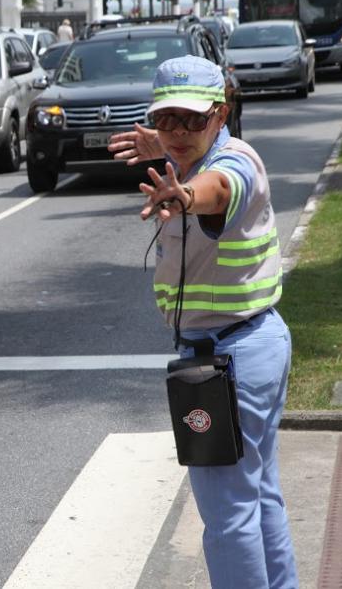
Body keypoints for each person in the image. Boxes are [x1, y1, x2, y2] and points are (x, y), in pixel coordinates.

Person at [107, 55, 298, 589]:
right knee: (258, 500)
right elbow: (197, 167)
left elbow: (219, 189)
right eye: (167, 119)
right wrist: (171, 156)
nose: (179, 131)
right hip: (251, 345)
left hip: (229, 360)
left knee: (227, 519)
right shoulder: (190, 156)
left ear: (221, 114)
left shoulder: (235, 164)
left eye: (193, 120)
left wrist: (186, 194)